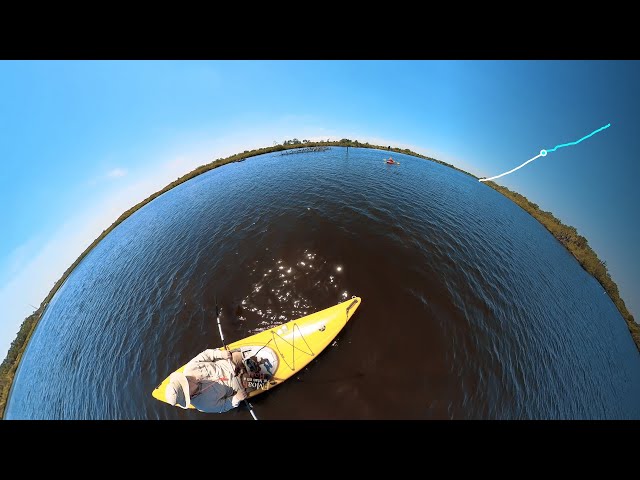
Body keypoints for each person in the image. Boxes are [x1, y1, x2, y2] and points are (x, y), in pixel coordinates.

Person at [164, 348, 248, 413]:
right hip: (238, 384)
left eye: (185, 380)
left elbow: (206, 355)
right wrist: (236, 398)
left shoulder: (190, 367)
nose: (190, 381)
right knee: (256, 378)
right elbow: (224, 406)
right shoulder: (203, 405)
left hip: (229, 362)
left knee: (248, 354)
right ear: (188, 396)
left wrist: (221, 354)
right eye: (188, 386)